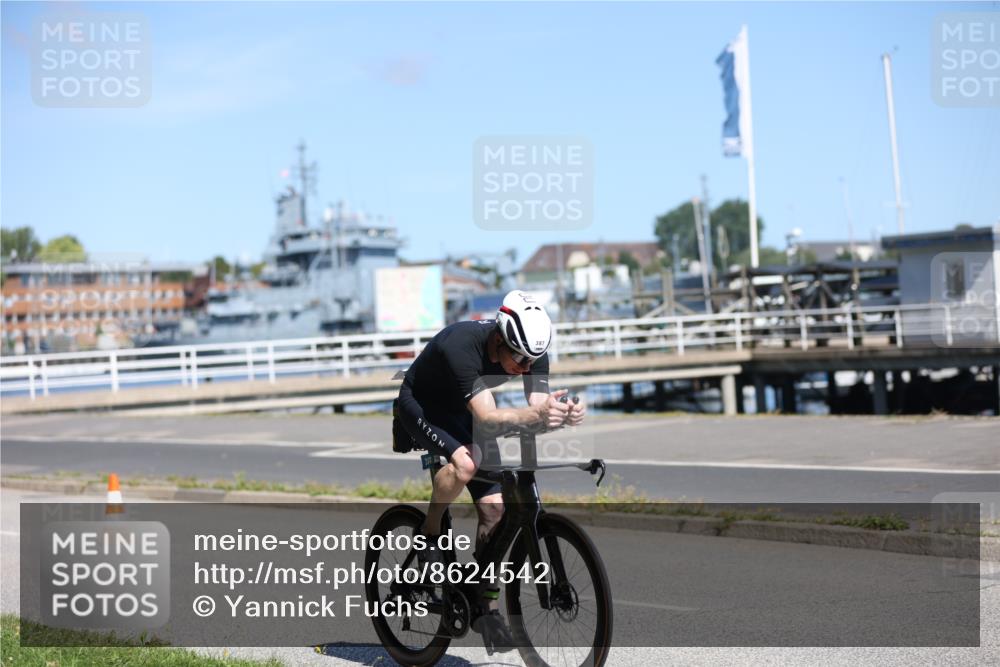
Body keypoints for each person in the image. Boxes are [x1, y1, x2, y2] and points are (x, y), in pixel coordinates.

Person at [393, 290, 586, 653]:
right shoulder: (462, 346)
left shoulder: (529, 351)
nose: (525, 368)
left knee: (496, 509)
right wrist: (535, 415)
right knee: (466, 464)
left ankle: (486, 607)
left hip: (465, 411)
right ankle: (429, 531)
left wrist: (563, 413)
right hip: (424, 406)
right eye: (519, 358)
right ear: (498, 338)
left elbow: (537, 405)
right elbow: (488, 416)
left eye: (532, 360)